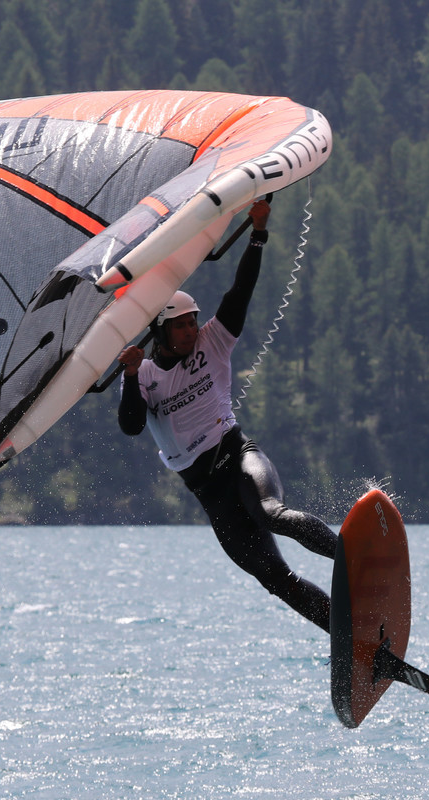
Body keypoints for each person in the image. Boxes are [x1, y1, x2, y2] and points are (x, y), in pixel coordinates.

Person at [117, 199, 339, 632]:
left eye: (193, 321)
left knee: (270, 512)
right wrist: (126, 375)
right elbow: (131, 426)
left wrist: (257, 233)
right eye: (181, 325)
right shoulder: (141, 375)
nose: (191, 329)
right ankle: (348, 634)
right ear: (161, 331)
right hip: (207, 490)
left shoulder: (213, 342)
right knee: (274, 578)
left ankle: (354, 558)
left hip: (238, 457)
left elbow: (239, 293)